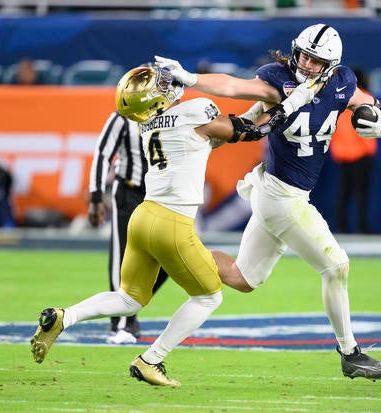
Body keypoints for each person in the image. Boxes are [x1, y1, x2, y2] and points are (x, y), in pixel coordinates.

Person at [30, 64, 312, 386]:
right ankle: (151, 359)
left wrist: (261, 107)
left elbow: (226, 132)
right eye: (159, 85)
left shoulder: (148, 124)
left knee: (129, 298)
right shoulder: (194, 111)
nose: (166, 85)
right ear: (155, 99)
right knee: (209, 297)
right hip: (172, 222)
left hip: (143, 217)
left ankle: (65, 317)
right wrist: (290, 104)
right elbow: (252, 132)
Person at [156, 22, 381, 381]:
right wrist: (191, 78)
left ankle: (174, 254)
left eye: (314, 60)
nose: (304, 62)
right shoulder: (278, 79)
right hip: (282, 195)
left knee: (242, 278)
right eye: (302, 54)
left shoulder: (342, 80)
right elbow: (234, 85)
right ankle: (350, 353)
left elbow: (378, 106)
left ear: (330, 64)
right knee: (336, 267)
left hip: (285, 193)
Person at [87, 111, 169, 344]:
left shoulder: (172, 114)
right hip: (129, 192)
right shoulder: (122, 118)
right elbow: (102, 154)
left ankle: (130, 307)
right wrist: (95, 197)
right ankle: (121, 323)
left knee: (171, 258)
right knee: (122, 259)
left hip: (161, 195)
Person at [329, 67, 377, 233]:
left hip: (343, 156)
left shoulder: (336, 98)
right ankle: (362, 228)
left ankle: (343, 228)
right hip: (360, 155)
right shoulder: (365, 98)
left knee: (344, 194)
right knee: (360, 195)